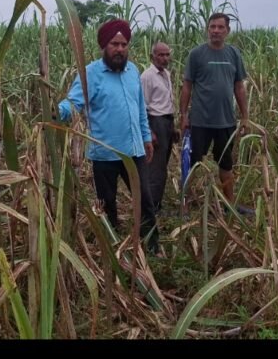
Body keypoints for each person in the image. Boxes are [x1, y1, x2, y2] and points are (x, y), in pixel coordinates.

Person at [57, 19, 159, 253]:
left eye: (123, 44)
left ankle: (152, 243)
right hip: (105, 153)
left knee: (145, 199)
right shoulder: (90, 74)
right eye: (114, 44)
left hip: (134, 151)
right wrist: (56, 111)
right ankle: (112, 246)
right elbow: (73, 103)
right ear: (104, 45)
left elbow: (140, 109)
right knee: (107, 203)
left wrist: (146, 137)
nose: (120, 49)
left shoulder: (133, 71)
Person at [180, 13, 250, 211]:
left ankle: (229, 204)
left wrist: (245, 117)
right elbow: (187, 87)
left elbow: (239, 87)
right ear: (207, 29)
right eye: (212, 27)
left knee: (226, 164)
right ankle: (185, 204)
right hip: (200, 121)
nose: (216, 31)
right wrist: (183, 116)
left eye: (220, 27)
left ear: (228, 31)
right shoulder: (196, 54)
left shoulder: (234, 54)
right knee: (192, 163)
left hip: (225, 121)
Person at [140, 41, 178, 212]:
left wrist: (173, 127)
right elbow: (142, 105)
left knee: (163, 165)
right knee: (155, 167)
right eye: (160, 55)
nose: (164, 58)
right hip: (155, 122)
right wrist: (149, 131)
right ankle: (151, 207)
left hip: (167, 122)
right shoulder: (147, 77)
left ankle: (157, 203)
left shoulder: (166, 74)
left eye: (167, 55)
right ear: (152, 56)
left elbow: (166, 102)